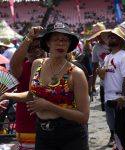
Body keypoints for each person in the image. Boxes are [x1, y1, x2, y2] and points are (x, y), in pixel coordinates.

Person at [0, 22, 89, 150]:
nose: (61, 43)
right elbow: (32, 94)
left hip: (69, 134)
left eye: (65, 40)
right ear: (48, 43)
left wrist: (49, 106)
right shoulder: (37, 65)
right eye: (56, 39)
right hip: (42, 132)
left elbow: (83, 116)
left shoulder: (76, 73)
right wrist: (7, 95)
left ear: (70, 44)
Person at [97, 27, 125, 150]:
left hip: (120, 96)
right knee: (113, 127)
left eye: (115, 36)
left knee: (122, 127)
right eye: (110, 37)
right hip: (108, 96)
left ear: (120, 40)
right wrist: (100, 72)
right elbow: (104, 76)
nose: (111, 38)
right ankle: (119, 146)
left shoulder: (124, 56)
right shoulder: (108, 57)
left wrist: (123, 97)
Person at [10, 26, 46, 150]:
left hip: (53, 125)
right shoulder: (23, 67)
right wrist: (28, 38)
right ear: (26, 52)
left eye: (41, 46)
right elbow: (13, 63)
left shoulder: (55, 67)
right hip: (28, 126)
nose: (37, 50)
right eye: (32, 48)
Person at [88, 22, 113, 147]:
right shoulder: (96, 48)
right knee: (108, 112)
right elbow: (95, 66)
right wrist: (92, 85)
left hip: (118, 82)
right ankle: (113, 134)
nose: (98, 37)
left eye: (99, 34)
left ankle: (121, 132)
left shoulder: (115, 43)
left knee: (120, 110)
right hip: (104, 83)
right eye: (96, 35)